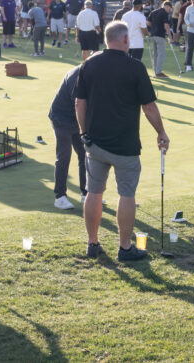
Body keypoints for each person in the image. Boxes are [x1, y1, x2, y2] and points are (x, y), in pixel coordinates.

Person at [76, 21, 170, 261]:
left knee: (94, 192)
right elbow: (149, 107)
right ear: (125, 40)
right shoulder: (135, 67)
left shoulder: (89, 64)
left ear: (106, 39)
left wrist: (84, 132)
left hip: (95, 143)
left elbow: (79, 103)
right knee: (126, 194)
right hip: (125, 145)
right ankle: (125, 248)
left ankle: (92, 243)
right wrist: (161, 132)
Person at [50, 64, 88, 210]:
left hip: (77, 120)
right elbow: (79, 104)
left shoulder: (91, 71)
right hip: (61, 119)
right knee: (64, 156)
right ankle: (60, 197)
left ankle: (86, 193)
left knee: (85, 155)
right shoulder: (76, 76)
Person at [146, 0, 172, 78]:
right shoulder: (164, 13)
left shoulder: (153, 12)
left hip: (153, 35)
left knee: (155, 54)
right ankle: (158, 72)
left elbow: (148, 22)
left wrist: (154, 27)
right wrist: (170, 37)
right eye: (170, 8)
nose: (170, 10)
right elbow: (166, 26)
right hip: (160, 35)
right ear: (166, 6)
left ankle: (156, 71)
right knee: (161, 54)